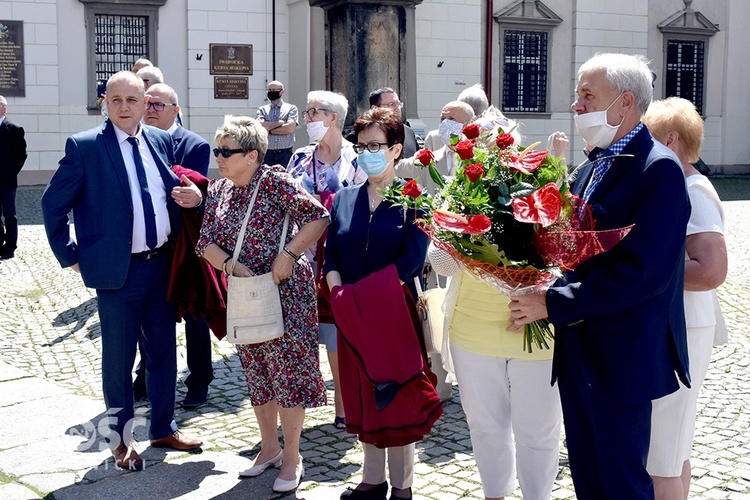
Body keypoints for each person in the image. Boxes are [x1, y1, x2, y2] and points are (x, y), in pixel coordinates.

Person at [508, 52, 691, 499]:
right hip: (578, 351)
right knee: (589, 479)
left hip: (621, 357)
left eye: (587, 95)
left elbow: (642, 273)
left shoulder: (659, 169)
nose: (576, 106)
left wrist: (552, 303)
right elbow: (569, 250)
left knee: (622, 483)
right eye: (577, 96)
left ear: (625, 103)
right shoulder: (591, 167)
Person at [41, 71, 203, 471]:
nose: (126, 107)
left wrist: (195, 198)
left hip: (161, 265)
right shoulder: (85, 147)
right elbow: (51, 205)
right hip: (118, 274)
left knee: (163, 351)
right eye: (117, 100)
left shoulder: (162, 141)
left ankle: (163, 426)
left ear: (145, 102)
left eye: (134, 100)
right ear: (105, 103)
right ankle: (120, 439)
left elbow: (173, 191)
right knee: (118, 359)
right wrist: (72, 254)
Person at [196, 115, 329, 494]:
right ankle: (268, 448)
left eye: (227, 151)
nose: (218, 157)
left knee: (288, 374)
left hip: (285, 290)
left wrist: (288, 254)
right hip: (245, 293)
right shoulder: (220, 189)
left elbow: (317, 216)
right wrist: (229, 265)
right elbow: (204, 241)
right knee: (257, 371)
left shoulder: (273, 181)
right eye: (217, 149)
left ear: (252, 155)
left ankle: (292, 456)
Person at [325, 108, 440, 500]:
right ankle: (371, 480)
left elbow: (410, 262)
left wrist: (358, 296)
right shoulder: (343, 198)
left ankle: (402, 486)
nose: (367, 153)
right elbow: (332, 256)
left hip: (395, 313)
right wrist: (338, 292)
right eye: (361, 146)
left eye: (376, 145)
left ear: (395, 149)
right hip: (351, 313)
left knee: (397, 395)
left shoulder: (415, 199)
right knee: (363, 393)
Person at [642, 97, 728, 500]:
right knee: (671, 450)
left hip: (683, 329)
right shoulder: (681, 185)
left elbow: (711, 270)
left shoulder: (692, 190)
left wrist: (640, 271)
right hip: (679, 325)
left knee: (661, 455)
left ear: (671, 141)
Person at [288, 90, 366, 429]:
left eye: (313, 112)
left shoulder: (359, 158)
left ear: (333, 117)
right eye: (306, 113)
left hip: (339, 256)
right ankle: (302, 397)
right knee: (304, 329)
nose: (307, 119)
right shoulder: (300, 158)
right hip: (302, 254)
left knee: (337, 331)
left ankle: (343, 401)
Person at [143, 82, 215, 409]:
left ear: (176, 109)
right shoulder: (136, 142)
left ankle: (199, 381)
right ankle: (145, 375)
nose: (151, 110)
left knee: (195, 317)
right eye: (148, 104)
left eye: (158, 105)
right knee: (152, 315)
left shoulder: (194, 145)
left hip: (185, 243)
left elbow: (189, 192)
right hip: (150, 244)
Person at [396, 100, 474, 195]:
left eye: (451, 119)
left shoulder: (480, 158)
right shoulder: (431, 160)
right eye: (442, 119)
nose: (445, 123)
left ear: (469, 123)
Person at [0, 95, 27, 260]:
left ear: (3, 108)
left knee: (10, 215)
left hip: (7, 181)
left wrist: (11, 172)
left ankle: (10, 246)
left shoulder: (14, 129)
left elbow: (21, 156)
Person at [256, 80, 298, 168]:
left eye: (274, 90)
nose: (271, 92)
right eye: (269, 90)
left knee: (286, 180)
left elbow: (289, 128)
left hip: (285, 154)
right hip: (267, 154)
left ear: (282, 91)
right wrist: (280, 123)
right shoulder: (262, 109)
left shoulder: (291, 108)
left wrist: (269, 129)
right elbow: (259, 126)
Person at [367, 87, 419, 158]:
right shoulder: (362, 135)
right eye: (391, 104)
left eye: (398, 104)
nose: (397, 108)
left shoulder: (409, 132)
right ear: (375, 108)